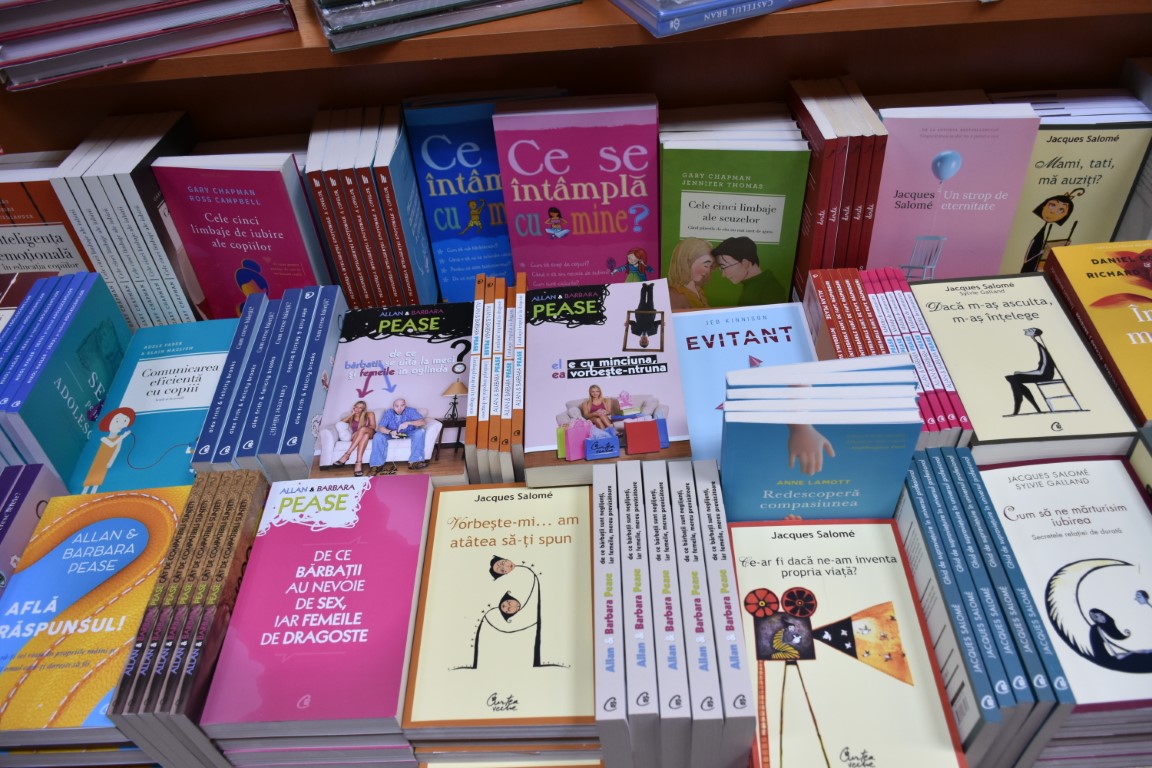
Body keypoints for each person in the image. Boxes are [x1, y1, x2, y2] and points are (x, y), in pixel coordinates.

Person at [1022, 188, 1083, 272]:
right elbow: (1028, 256)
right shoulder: (1030, 224)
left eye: (1061, 210)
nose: (1053, 212)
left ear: (1066, 215)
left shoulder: (1053, 230)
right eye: (1052, 205)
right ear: (1044, 205)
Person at [713, 236, 782, 306]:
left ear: (745, 263)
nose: (723, 275)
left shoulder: (770, 289)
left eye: (724, 267)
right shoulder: (754, 285)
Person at [81, 406, 135, 493]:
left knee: (98, 482)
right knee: (90, 480)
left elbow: (117, 450)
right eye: (117, 421)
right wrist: (123, 436)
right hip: (98, 460)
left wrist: (111, 462)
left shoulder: (119, 438)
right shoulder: (104, 438)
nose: (120, 424)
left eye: (124, 422)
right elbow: (111, 444)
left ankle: (93, 493)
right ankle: (84, 494)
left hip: (106, 462)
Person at [369, 398, 429, 473]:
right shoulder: (388, 412)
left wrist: (409, 423)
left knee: (420, 432)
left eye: (402, 406)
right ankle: (376, 465)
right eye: (396, 406)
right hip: (391, 433)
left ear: (405, 405)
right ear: (393, 406)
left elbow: (423, 422)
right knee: (378, 435)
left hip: (408, 432)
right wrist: (390, 432)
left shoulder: (411, 411)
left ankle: (415, 462)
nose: (399, 409)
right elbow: (380, 428)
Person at [1005, 327, 1056, 415]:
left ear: (1034, 334)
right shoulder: (1037, 344)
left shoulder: (1040, 346)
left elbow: (1042, 371)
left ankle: (1019, 403)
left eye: (1030, 330)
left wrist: (1022, 373)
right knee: (1012, 379)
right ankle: (1031, 405)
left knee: (1014, 378)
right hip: (1041, 373)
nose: (1026, 330)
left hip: (1045, 375)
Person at [332, 400, 376, 477]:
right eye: (356, 407)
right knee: (365, 435)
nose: (358, 409)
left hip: (370, 433)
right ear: (354, 407)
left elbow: (373, 426)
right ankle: (358, 463)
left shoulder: (370, 414)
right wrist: (352, 414)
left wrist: (360, 431)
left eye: (360, 408)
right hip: (358, 436)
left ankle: (347, 455)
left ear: (363, 409)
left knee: (364, 431)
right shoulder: (351, 416)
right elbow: (340, 423)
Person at [667, 238, 714, 310]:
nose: (708, 271)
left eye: (710, 266)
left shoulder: (699, 290)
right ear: (687, 261)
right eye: (705, 265)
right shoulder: (675, 295)